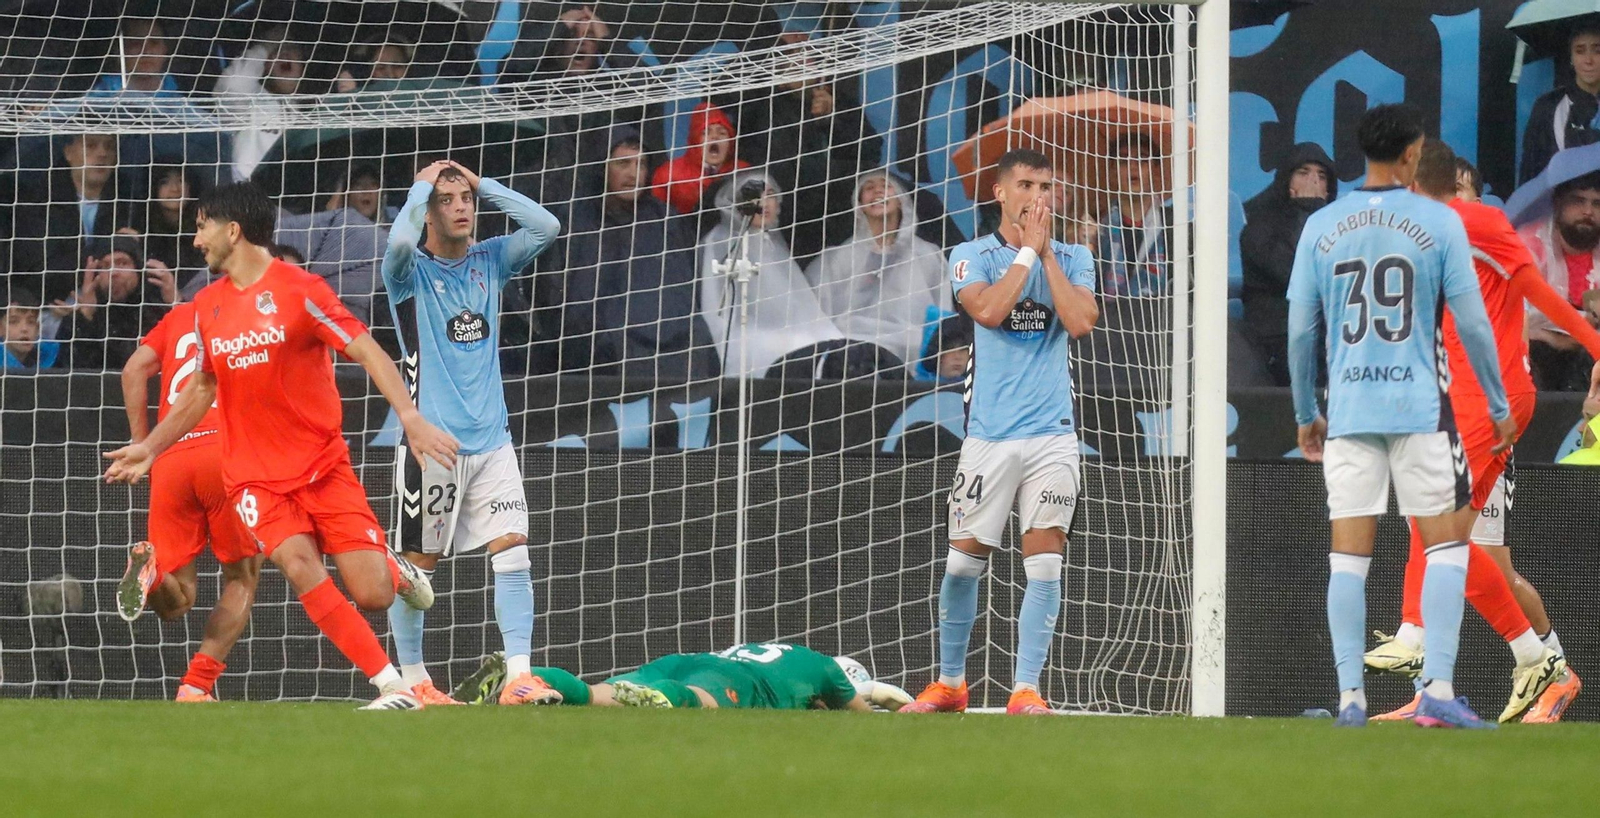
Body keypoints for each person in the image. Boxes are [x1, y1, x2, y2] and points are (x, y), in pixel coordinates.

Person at [103, 182, 456, 711]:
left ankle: (388, 562)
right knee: (297, 565)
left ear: (232, 230)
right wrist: (150, 447)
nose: (195, 240)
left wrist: (411, 418)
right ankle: (392, 685)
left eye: (201, 227)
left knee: (373, 593)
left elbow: (368, 351)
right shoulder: (206, 306)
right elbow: (202, 388)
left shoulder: (302, 290)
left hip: (322, 465)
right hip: (253, 477)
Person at [1285, 105, 1516, 728]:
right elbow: (1471, 321)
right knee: (1445, 546)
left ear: (1364, 153)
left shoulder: (1323, 225)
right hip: (1421, 410)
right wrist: (1497, 405)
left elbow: (1301, 330)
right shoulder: (1439, 221)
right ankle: (1437, 689)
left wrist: (1307, 409)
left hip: (1350, 411)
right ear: (1413, 155)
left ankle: (1351, 701)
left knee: (1348, 559)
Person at [1362, 140, 1600, 724]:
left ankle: (1526, 659)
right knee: (1450, 542)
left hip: (1486, 403)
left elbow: (1538, 294)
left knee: (1458, 543)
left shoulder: (1473, 222)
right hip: (1460, 403)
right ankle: (1444, 680)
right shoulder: (1434, 240)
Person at [900, 149, 1098, 716]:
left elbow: (1081, 322)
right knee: (963, 563)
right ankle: (951, 683)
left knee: (1045, 562)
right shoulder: (971, 254)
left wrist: (1047, 258)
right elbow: (986, 311)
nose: (1040, 196)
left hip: (1052, 434)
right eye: (1028, 185)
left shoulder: (1077, 257)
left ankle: (1026, 689)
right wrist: (1025, 257)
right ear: (1000, 194)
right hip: (988, 435)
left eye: (1047, 186)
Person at [383, 160, 560, 706]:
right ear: (427, 213)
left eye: (466, 199)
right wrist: (422, 183)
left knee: (514, 552)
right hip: (432, 448)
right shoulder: (409, 273)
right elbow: (395, 245)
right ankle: (415, 682)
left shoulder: (492, 259)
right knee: (417, 572)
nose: (461, 207)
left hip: (494, 441)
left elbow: (546, 226)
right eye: (448, 200)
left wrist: (484, 183)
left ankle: (518, 678)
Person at [115, 298, 264, 702]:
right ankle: (196, 685)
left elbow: (132, 370)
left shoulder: (180, 314)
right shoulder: (251, 310)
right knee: (242, 576)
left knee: (175, 601)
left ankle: (150, 572)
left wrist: (142, 445)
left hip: (170, 457)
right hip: (225, 453)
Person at [548, 128, 718, 379]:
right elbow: (567, 299)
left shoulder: (665, 219)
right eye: (622, 163)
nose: (633, 174)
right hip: (600, 345)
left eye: (640, 165)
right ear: (602, 167)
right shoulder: (575, 221)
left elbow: (682, 291)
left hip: (667, 336)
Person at [452, 642, 911, 712]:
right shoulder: (829, 673)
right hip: (727, 680)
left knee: (595, 695)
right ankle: (651, 697)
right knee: (693, 701)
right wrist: (904, 704)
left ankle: (525, 679)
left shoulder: (790, 653)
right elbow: (864, 707)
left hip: (690, 657)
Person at [699, 170, 845, 379]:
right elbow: (717, 309)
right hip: (745, 338)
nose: (764, 202)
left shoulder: (773, 243)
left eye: (770, 195)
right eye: (754, 196)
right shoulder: (720, 241)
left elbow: (799, 306)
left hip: (787, 333)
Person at [807, 171, 950, 373]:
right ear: (859, 204)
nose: (877, 190)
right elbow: (817, 314)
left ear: (901, 201)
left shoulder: (928, 255)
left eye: (886, 185)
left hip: (912, 353)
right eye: (868, 187)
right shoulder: (836, 258)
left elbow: (942, 314)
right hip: (849, 355)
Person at [1238, 143, 1337, 385]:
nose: (1313, 182)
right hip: (1275, 342)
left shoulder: (1342, 227)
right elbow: (1297, 276)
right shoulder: (1258, 227)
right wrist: (1305, 211)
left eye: (1321, 176)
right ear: (1286, 180)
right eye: (1303, 173)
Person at [6, 133, 130, 304]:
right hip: (49, 307)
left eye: (109, 147)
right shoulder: (39, 203)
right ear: (68, 152)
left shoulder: (131, 203)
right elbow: (35, 271)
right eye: (91, 145)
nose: (102, 154)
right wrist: (105, 250)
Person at [1518, 172, 1600, 390]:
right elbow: (1522, 313)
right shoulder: (1529, 242)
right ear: (1558, 203)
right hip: (1541, 354)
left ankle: (1594, 425)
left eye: (1597, 203)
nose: (1588, 211)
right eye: (1578, 201)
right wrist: (1561, 337)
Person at [51, 236, 175, 370]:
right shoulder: (80, 320)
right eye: (105, 266)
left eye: (122, 263)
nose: (113, 272)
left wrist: (175, 302)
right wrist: (85, 316)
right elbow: (68, 374)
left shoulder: (159, 313)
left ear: (138, 268)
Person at [215, 36, 308, 183]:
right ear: (263, 65)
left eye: (293, 50)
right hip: (246, 191)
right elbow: (233, 83)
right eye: (277, 51)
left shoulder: (309, 109)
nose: (286, 54)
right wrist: (266, 45)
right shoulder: (249, 99)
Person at [1521, 25, 1600, 186]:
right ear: (1571, 57)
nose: (1588, 60)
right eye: (1580, 50)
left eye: (1597, 51)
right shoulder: (1548, 106)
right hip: (1558, 206)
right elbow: (1530, 175)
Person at [1095, 134, 1169, 298]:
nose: (1132, 167)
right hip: (1108, 320)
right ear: (1113, 170)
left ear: (1155, 169)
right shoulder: (1096, 228)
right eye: (1123, 161)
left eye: (1142, 160)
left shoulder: (1174, 226)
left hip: (1163, 320)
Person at [652, 102, 749, 217]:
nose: (715, 137)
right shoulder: (668, 175)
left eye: (722, 133)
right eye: (706, 132)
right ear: (694, 140)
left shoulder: (744, 172)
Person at [125, 165, 206, 287]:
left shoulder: (204, 228)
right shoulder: (140, 228)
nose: (174, 189)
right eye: (165, 182)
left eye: (180, 180)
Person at [3, 287, 60, 370]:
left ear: (38, 328)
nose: (24, 329)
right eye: (13, 322)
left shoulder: (51, 357)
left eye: (31, 322)